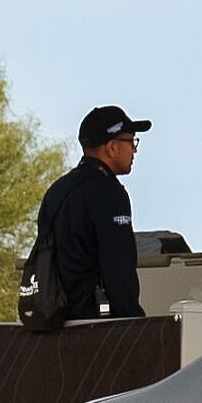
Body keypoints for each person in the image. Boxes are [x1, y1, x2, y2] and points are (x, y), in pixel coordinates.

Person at [33, 106, 150, 321]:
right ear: (112, 147)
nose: (134, 150)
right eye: (131, 141)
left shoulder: (58, 190)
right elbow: (118, 266)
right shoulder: (109, 193)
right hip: (95, 324)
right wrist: (134, 321)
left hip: (53, 319)